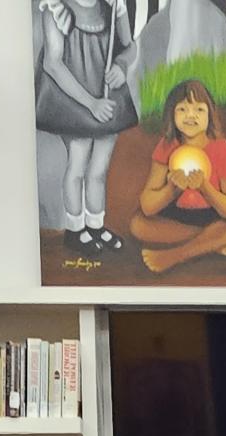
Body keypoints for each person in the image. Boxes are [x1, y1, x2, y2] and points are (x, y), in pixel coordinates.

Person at [35, 0, 141, 255]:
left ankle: (95, 225)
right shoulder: (57, 8)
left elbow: (129, 46)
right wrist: (91, 103)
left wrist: (121, 65)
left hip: (107, 96)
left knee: (99, 169)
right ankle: (75, 229)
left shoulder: (113, 6)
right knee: (78, 166)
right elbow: (53, 63)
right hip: (75, 99)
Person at [130, 78, 226, 273]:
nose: (191, 115)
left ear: (210, 115)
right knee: (137, 224)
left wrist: (205, 188)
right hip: (176, 216)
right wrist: (172, 190)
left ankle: (173, 256)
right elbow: (147, 206)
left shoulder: (223, 150)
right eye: (182, 109)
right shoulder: (166, 146)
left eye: (199, 109)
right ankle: (217, 240)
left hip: (211, 215)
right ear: (172, 114)